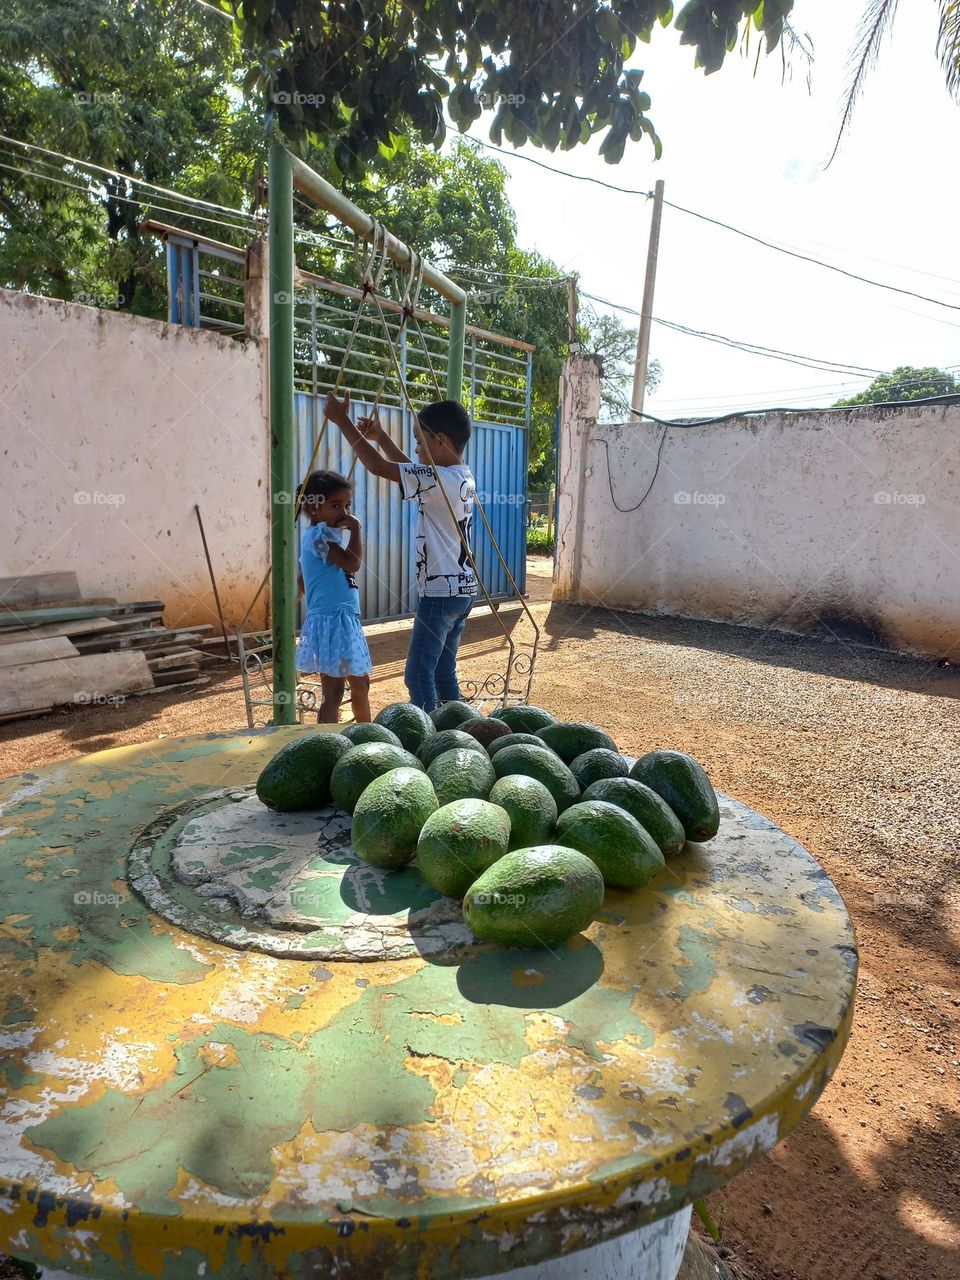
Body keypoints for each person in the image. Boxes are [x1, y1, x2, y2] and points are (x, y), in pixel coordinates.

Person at [323, 392, 477, 711]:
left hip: (440, 592)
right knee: (443, 671)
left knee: (418, 674)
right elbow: (410, 471)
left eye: (420, 442)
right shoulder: (459, 476)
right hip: (462, 591)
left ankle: (429, 738)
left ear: (441, 441)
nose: (417, 449)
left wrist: (342, 421)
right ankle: (457, 729)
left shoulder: (438, 479)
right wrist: (381, 436)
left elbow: (379, 467)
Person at [295, 469, 372, 724]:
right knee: (335, 692)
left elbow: (302, 580)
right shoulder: (319, 538)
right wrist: (357, 530)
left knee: (361, 684)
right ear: (314, 509)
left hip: (341, 618)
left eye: (347, 505)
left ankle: (366, 736)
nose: (345, 513)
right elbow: (352, 564)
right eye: (336, 505)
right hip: (333, 620)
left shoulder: (320, 538)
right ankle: (327, 741)